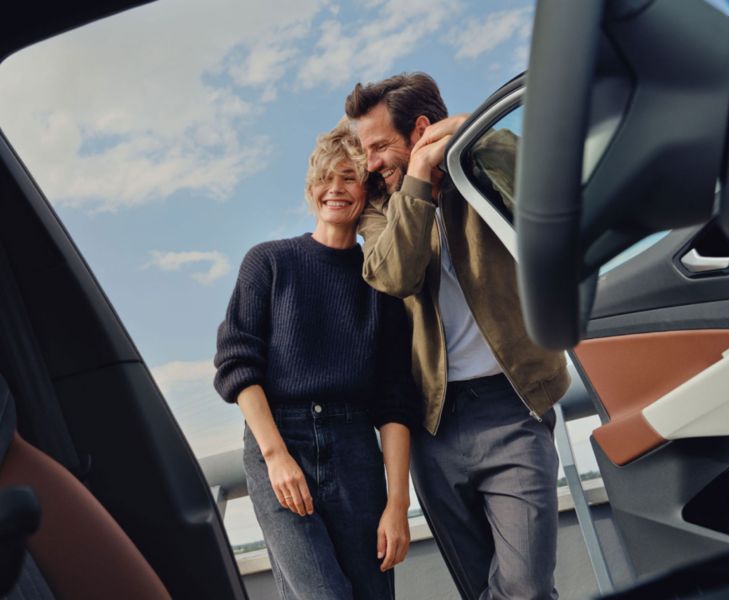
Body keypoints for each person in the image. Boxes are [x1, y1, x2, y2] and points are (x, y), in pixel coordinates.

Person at [346, 73, 571, 600]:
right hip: (435, 426)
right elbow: (392, 274)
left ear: (420, 128)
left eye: (380, 145)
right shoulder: (383, 206)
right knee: (479, 588)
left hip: (513, 408)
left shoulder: (482, 161)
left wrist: (475, 132)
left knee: (526, 588)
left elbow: (549, 195)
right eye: (366, 149)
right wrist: (417, 177)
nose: (371, 162)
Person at [213, 119, 418, 600]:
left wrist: (397, 502)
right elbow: (237, 364)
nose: (336, 189)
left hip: (356, 451)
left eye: (350, 177)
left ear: (367, 191)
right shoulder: (268, 262)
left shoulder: (381, 284)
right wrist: (276, 457)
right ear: (311, 189)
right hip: (281, 443)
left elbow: (395, 399)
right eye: (327, 177)